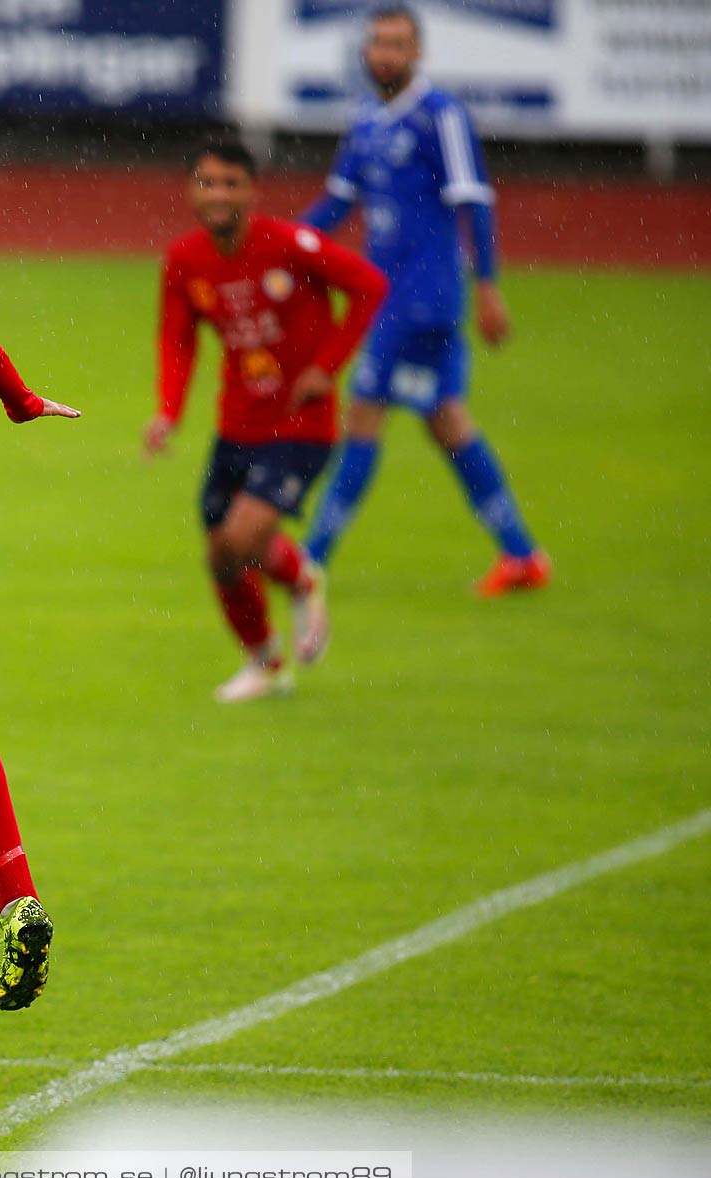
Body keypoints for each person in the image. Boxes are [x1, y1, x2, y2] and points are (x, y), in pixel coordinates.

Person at [299, 3, 548, 596]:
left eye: (397, 44)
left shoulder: (441, 117)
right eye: (377, 43)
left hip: (424, 299)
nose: (385, 53)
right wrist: (284, 246)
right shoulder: (365, 119)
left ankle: (309, 561)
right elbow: (338, 202)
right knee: (447, 422)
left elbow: (473, 200)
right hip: (386, 297)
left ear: (418, 53)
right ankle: (521, 554)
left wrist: (487, 288)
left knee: (363, 414)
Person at [147, 143, 388, 702]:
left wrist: (326, 369)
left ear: (253, 191)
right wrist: (167, 412)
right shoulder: (185, 259)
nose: (218, 195)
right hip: (235, 427)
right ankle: (267, 663)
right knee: (222, 557)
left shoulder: (290, 245)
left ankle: (302, 577)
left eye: (230, 184)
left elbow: (369, 286)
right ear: (191, 191)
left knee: (242, 537)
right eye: (207, 183)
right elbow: (177, 339)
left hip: (299, 426)